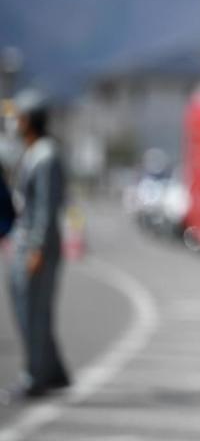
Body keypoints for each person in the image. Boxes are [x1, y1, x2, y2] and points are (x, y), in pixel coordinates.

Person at [2, 90, 71, 401]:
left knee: (33, 311)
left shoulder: (45, 155)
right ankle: (54, 371)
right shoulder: (32, 151)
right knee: (29, 308)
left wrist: (37, 249)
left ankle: (35, 376)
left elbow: (45, 207)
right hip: (24, 241)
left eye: (18, 117)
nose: (14, 123)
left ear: (28, 120)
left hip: (35, 243)